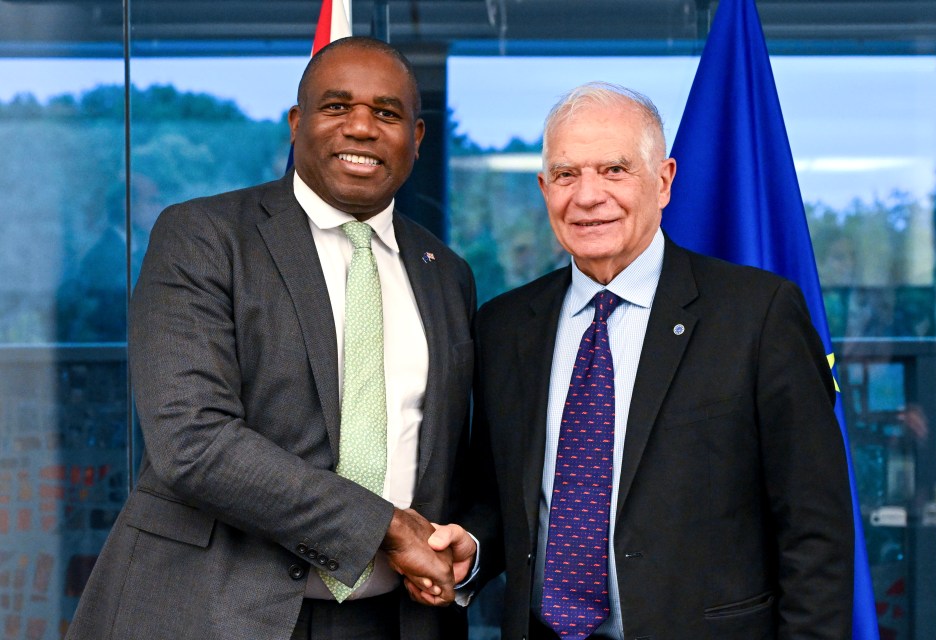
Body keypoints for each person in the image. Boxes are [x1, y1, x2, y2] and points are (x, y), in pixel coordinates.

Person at [66, 36, 476, 640]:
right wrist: (386, 527)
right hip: (211, 611)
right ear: (296, 123)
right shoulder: (203, 237)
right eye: (337, 107)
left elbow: (450, 459)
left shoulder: (447, 272)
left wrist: (457, 541)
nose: (362, 128)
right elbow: (193, 442)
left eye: (386, 113)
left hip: (390, 619)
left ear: (415, 138)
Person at [427, 82, 854, 639]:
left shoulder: (759, 314)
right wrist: (476, 547)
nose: (587, 195)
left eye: (614, 170)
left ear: (664, 180)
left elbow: (815, 529)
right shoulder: (505, 326)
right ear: (543, 188)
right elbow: (500, 493)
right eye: (565, 174)